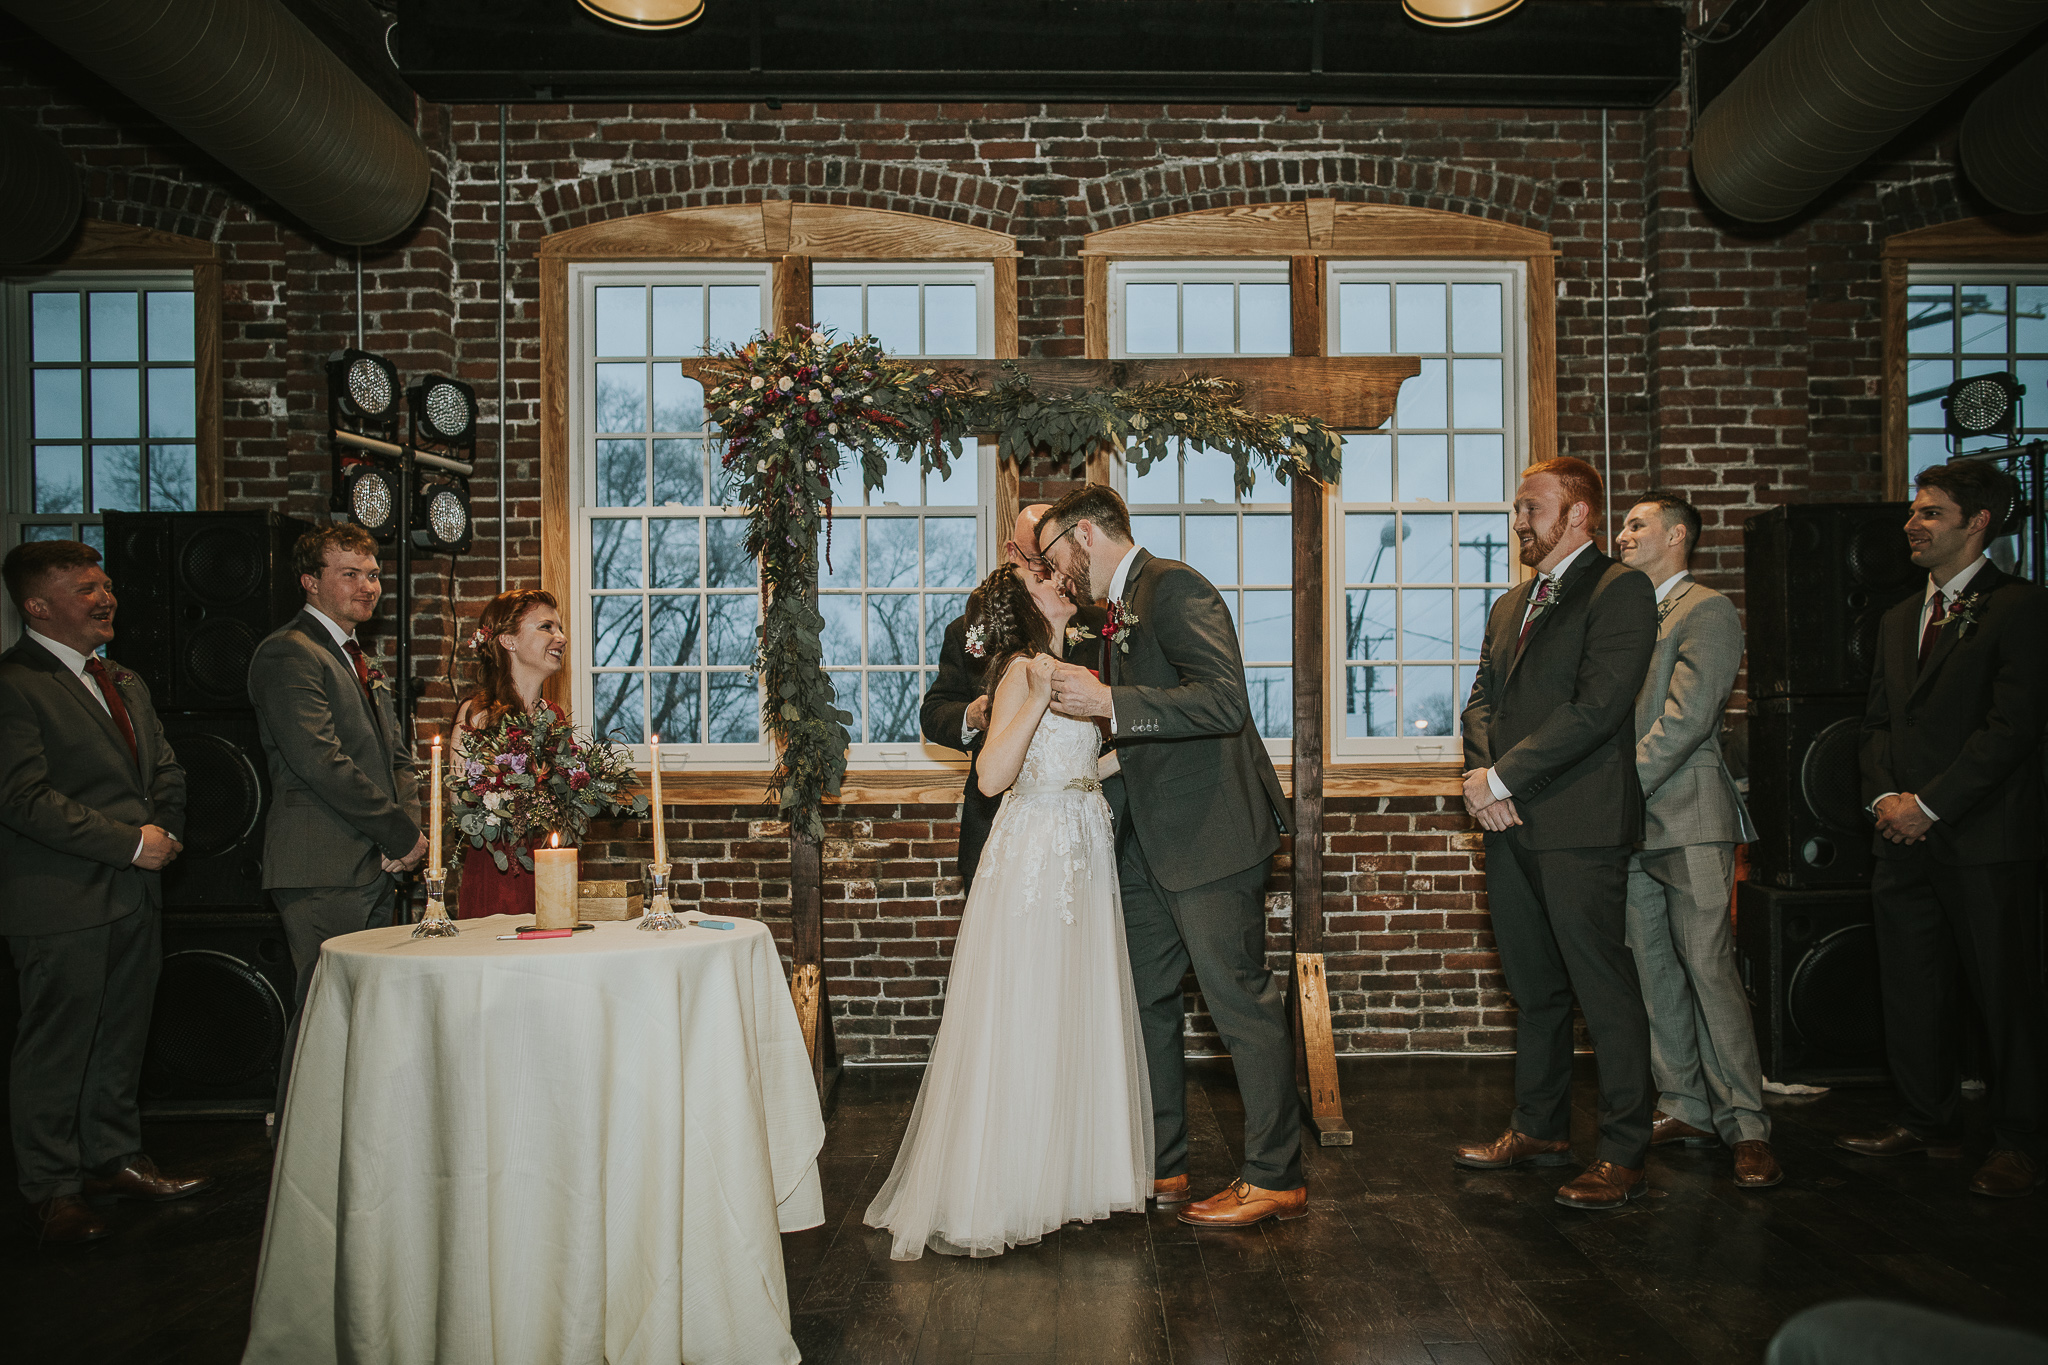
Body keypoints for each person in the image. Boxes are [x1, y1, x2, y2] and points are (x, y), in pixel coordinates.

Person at [864, 557, 1152, 1259]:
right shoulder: (1023, 670)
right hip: (1036, 853)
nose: (1059, 581)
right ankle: (1008, 1188)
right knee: (1028, 1007)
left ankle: (1067, 1182)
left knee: (1070, 1010)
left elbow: (1076, 767)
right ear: (1026, 607)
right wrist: (1035, 696)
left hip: (1079, 843)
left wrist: (1135, 754)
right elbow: (994, 775)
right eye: (1043, 579)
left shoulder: (1065, 665)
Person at [1038, 484, 1301, 1228]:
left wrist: (1109, 703)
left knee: (1240, 1005)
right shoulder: (1122, 605)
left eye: (1054, 556)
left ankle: (1276, 1175)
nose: (1055, 574)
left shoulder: (1175, 587)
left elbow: (1224, 701)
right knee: (1142, 999)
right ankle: (1163, 1163)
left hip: (1211, 837)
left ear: (1085, 535)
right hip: (1152, 842)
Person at [1454, 456, 1659, 1209]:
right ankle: (1539, 1129)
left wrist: (1501, 779)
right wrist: (1482, 781)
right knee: (1534, 988)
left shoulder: (1620, 590)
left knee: (1603, 989)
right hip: (1507, 822)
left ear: (1578, 514)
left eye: (1530, 508)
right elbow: (1481, 701)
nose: (1518, 522)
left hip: (1580, 823)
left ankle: (1624, 1151)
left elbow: (1597, 709)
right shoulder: (1511, 603)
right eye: (1516, 508)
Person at [1842, 460, 2048, 1198]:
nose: (1912, 524)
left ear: (1978, 523)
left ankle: (2022, 1141)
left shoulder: (2021, 608)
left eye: (1930, 512)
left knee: (2005, 994)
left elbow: (2012, 728)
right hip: (1899, 838)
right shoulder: (1900, 617)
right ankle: (1926, 1118)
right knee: (1911, 986)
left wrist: (1929, 804)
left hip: (1986, 840)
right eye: (1914, 511)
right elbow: (1875, 723)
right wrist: (1884, 799)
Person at [1, 540, 210, 1245]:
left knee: (121, 1038)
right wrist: (128, 842)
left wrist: (163, 832)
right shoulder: (15, 684)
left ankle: (112, 1159)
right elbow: (21, 798)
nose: (106, 597)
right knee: (57, 1050)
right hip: (59, 900)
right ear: (37, 605)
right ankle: (52, 1190)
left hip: (135, 891)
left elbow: (167, 768)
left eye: (107, 584)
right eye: (86, 588)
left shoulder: (123, 678)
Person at [1613, 493, 1779, 1189]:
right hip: (1630, 826)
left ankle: (1747, 1124)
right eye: (1623, 525)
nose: (1623, 535)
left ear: (1677, 535)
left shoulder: (1706, 609)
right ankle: (1683, 1105)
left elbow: (1687, 718)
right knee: (1653, 971)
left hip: (1689, 816)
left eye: (1637, 525)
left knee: (1709, 969)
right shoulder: (1624, 614)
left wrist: (1618, 789)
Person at [248, 524, 425, 1117]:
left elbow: (397, 758)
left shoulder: (357, 658)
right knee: (323, 1013)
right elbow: (320, 762)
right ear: (309, 581)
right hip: (321, 864)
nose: (368, 586)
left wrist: (408, 833)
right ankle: (299, 1144)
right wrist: (399, 833)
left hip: (376, 861)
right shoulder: (288, 653)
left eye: (373, 574)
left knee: (364, 1013)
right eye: (349, 574)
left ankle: (352, 1136)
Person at [920, 503, 1104, 896]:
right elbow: (934, 712)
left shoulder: (1094, 624)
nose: (1053, 574)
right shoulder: (971, 632)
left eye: (1056, 557)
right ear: (1012, 552)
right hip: (1000, 822)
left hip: (1081, 823)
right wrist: (972, 716)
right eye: (1039, 562)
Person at [450, 589, 568, 919]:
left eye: (560, 628)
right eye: (546, 627)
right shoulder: (478, 715)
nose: (561, 637)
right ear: (508, 640)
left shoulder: (555, 717)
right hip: (501, 870)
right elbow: (461, 808)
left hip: (554, 865)